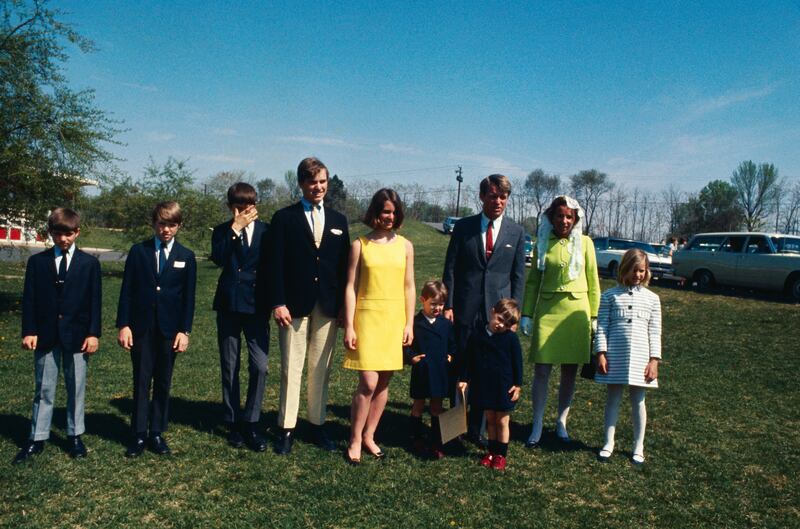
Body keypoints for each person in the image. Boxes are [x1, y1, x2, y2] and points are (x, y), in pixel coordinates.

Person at [264, 157, 350, 455]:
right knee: (292, 367)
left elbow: (344, 268)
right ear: (301, 183)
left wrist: (344, 307)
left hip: (328, 304)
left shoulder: (339, 221)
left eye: (323, 181)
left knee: (320, 368)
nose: (318, 187)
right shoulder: (284, 218)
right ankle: (286, 428)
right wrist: (278, 302)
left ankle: (317, 424)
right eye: (312, 182)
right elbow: (273, 264)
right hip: (293, 305)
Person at [442, 174, 526, 445]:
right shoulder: (464, 227)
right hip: (464, 309)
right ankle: (454, 429)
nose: (498, 201)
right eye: (493, 196)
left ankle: (476, 430)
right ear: (482, 197)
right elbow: (450, 268)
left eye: (503, 197)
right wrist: (449, 305)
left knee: (486, 370)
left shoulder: (516, 232)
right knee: (460, 367)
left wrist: (514, 315)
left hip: (497, 316)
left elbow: (518, 277)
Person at [14, 208, 102, 463]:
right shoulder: (38, 262)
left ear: (77, 232)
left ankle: (75, 436)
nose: (63, 239)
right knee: (44, 388)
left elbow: (95, 302)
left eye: (68, 234)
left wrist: (93, 333)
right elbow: (29, 299)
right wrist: (29, 331)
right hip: (45, 335)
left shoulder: (89, 264)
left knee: (76, 387)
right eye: (58, 234)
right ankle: (37, 437)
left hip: (78, 336)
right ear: (50, 233)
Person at [117, 201, 197, 457]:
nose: (166, 230)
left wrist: (184, 331)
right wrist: (124, 325)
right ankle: (139, 433)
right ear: (153, 224)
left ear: (179, 226)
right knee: (141, 380)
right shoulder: (138, 251)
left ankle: (157, 432)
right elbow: (127, 291)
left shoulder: (186, 256)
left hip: (170, 330)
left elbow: (188, 298)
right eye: (162, 224)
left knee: (163, 380)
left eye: (172, 225)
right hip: (141, 327)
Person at [520, 195, 600, 447]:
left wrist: (595, 316)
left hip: (576, 313)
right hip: (548, 311)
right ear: (551, 217)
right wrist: (526, 313)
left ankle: (561, 422)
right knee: (542, 370)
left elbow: (593, 281)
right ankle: (537, 423)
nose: (564, 221)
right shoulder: (542, 242)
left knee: (569, 372)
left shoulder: (585, 243)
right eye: (559, 216)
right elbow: (533, 282)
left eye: (569, 217)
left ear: (575, 219)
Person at [343, 189, 415, 464]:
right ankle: (354, 439)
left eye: (394, 212)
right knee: (368, 382)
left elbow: (409, 287)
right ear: (375, 211)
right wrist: (349, 325)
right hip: (367, 319)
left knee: (383, 383)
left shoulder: (406, 246)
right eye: (386, 211)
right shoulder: (360, 245)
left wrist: (409, 323)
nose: (390, 217)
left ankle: (369, 435)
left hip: (394, 319)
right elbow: (350, 287)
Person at [210, 183, 270, 451]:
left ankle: (251, 421)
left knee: (260, 365)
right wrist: (235, 229)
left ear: (255, 206)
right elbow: (219, 258)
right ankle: (233, 421)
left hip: (257, 305)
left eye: (248, 207)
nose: (243, 212)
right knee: (229, 364)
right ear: (230, 207)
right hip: (229, 305)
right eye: (237, 207)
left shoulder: (267, 231)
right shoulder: (222, 231)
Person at [594, 248, 662, 465]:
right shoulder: (609, 296)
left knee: (638, 401)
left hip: (642, 358)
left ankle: (638, 446)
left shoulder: (653, 299)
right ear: (624, 268)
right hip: (615, 356)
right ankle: (608, 442)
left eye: (642, 270)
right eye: (634, 270)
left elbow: (655, 331)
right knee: (613, 399)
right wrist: (601, 354)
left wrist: (654, 360)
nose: (637, 275)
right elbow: (602, 327)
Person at [458, 299, 523, 471]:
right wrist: (464, 378)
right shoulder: (477, 335)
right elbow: (469, 358)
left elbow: (518, 363)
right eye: (500, 319)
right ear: (492, 312)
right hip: (484, 385)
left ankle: (501, 455)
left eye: (506, 324)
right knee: (490, 420)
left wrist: (517, 385)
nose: (501, 325)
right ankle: (491, 452)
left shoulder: (511, 339)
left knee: (502, 421)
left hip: (503, 387)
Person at [404, 280, 455, 459]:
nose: (437, 308)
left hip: (439, 372)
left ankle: (436, 441)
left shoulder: (446, 324)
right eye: (433, 304)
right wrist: (411, 357)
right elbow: (406, 345)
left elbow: (453, 345)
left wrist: (451, 355)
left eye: (441, 304)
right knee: (418, 404)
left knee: (436, 407)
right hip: (422, 371)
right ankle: (416, 438)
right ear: (422, 300)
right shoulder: (415, 322)